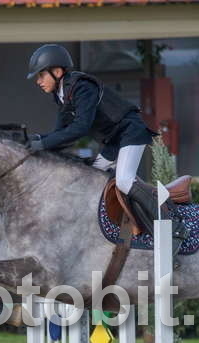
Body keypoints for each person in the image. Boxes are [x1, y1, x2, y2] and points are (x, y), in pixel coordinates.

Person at [24, 44, 187, 260]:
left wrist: (42, 144)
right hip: (114, 142)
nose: (38, 81)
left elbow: (80, 128)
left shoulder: (82, 87)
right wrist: (35, 140)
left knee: (125, 181)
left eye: (41, 75)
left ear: (57, 71)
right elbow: (59, 134)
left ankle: (172, 226)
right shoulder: (61, 94)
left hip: (130, 133)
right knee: (92, 177)